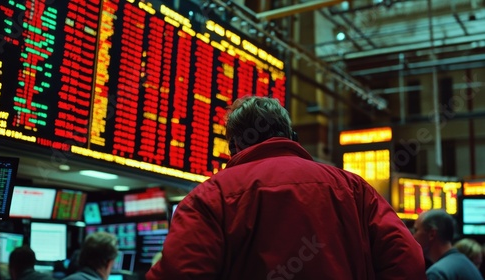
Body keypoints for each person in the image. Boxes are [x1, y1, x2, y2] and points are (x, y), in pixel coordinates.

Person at [146, 96, 426, 279]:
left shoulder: (209, 197)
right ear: (292, 136)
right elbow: (408, 260)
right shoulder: (354, 189)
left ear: (234, 146)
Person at [413, 209, 484, 280]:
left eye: (416, 230)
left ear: (431, 234)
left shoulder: (437, 274)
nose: (413, 236)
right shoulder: (466, 264)